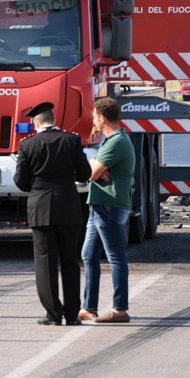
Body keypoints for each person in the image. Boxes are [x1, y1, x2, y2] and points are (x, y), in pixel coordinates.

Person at [14, 102, 92, 326]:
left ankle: (53, 314)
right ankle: (72, 313)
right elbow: (84, 173)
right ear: (53, 120)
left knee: (45, 262)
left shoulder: (27, 145)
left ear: (36, 123)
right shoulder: (72, 140)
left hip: (40, 208)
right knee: (70, 260)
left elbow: (21, 181)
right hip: (68, 205)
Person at [80, 96, 136, 324]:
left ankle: (120, 309)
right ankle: (88, 307)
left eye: (94, 116)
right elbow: (92, 170)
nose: (92, 120)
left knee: (115, 257)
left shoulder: (116, 142)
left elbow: (89, 173)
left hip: (110, 205)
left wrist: (94, 170)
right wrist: (95, 169)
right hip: (99, 204)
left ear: (102, 118)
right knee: (88, 254)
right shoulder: (111, 140)